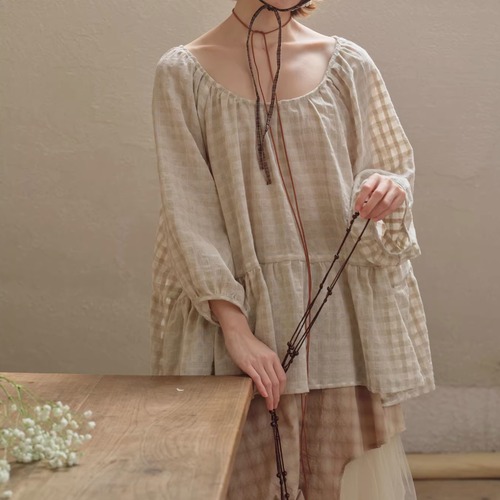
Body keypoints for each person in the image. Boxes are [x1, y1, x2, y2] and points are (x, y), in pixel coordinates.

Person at [150, 0, 436, 498]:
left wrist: (386, 187)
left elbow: (388, 165)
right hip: (237, 323)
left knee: (340, 480)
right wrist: (236, 330)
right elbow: (188, 211)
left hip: (343, 324)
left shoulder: (348, 64)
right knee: (246, 480)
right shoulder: (182, 73)